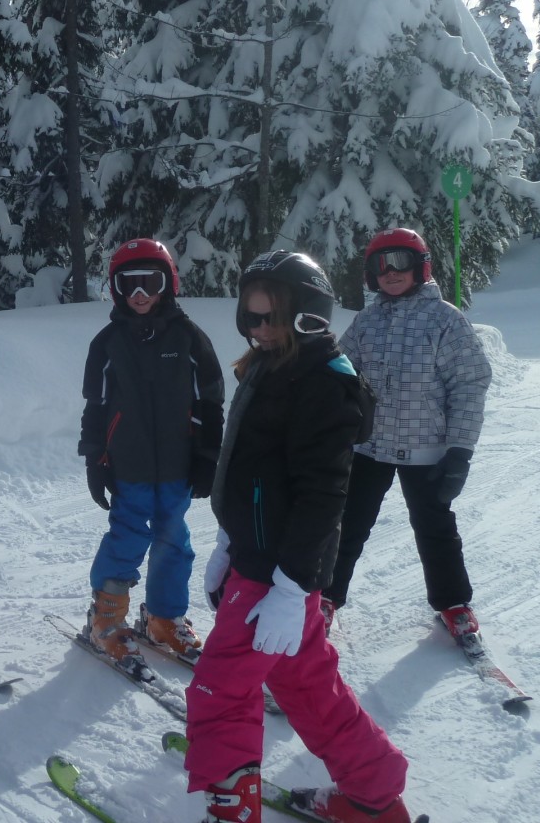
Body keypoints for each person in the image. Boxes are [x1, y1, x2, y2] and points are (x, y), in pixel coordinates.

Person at [186, 251, 417, 823]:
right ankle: (374, 795)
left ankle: (231, 808)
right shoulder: (270, 367)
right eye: (251, 318)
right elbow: (250, 474)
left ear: (309, 318)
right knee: (307, 683)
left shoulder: (320, 384)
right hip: (262, 559)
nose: (259, 330)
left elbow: (322, 498)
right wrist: (226, 543)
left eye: (272, 319)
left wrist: (290, 589)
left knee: (221, 690)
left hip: (276, 573)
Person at [320, 228, 492, 640]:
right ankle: (325, 597)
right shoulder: (367, 321)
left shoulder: (445, 320)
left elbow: (469, 384)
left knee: (435, 527)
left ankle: (453, 603)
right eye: (382, 265)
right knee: (347, 523)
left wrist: (459, 450)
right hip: (369, 446)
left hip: (426, 448)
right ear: (370, 274)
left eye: (400, 262)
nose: (392, 272)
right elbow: (343, 372)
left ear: (420, 266)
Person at [78, 239, 224, 663]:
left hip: (178, 464)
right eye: (129, 285)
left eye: (150, 283)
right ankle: (105, 617)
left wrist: (207, 457)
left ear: (169, 285)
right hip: (129, 464)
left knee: (173, 538)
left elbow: (210, 403)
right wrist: (94, 458)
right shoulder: (108, 344)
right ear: (116, 289)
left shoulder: (190, 339)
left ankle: (163, 617)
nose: (140, 294)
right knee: (128, 534)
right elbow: (96, 406)